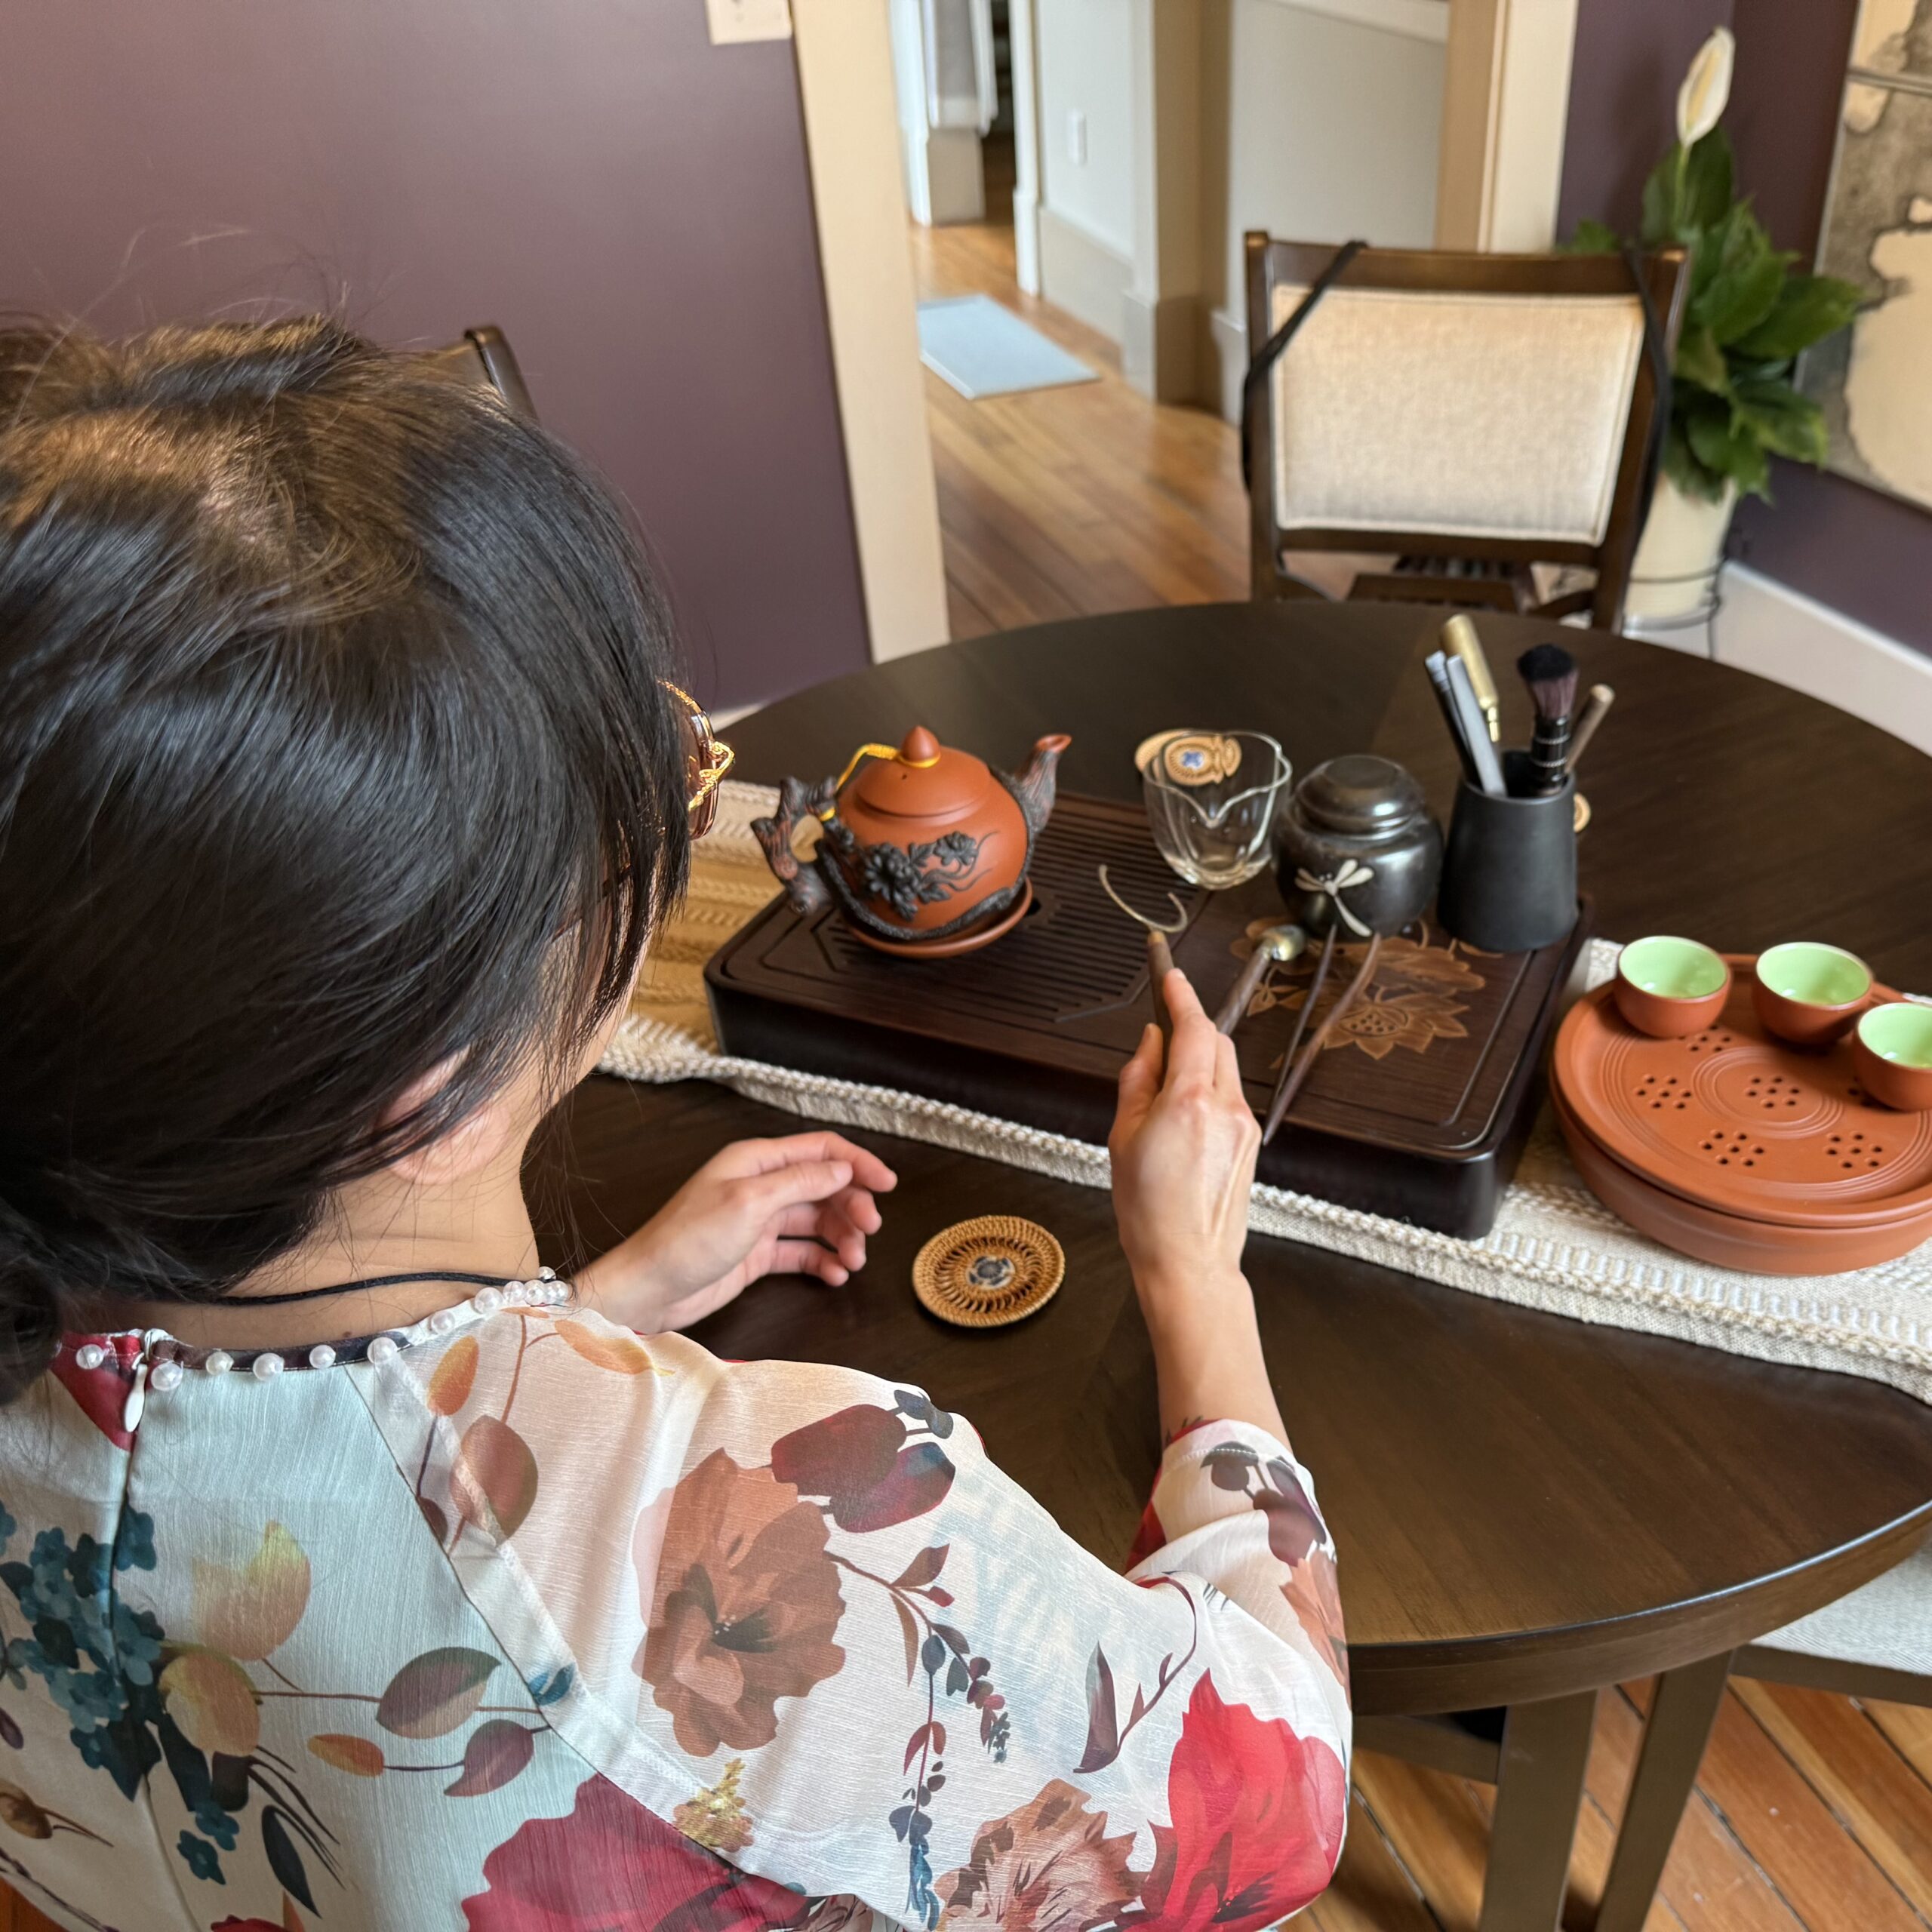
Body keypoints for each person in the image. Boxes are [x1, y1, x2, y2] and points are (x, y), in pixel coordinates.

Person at [0, 317, 1349, 1932]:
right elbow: (1272, 1792)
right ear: (426, 1084)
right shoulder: (781, 1542)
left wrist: (580, 1317)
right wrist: (1198, 1276)